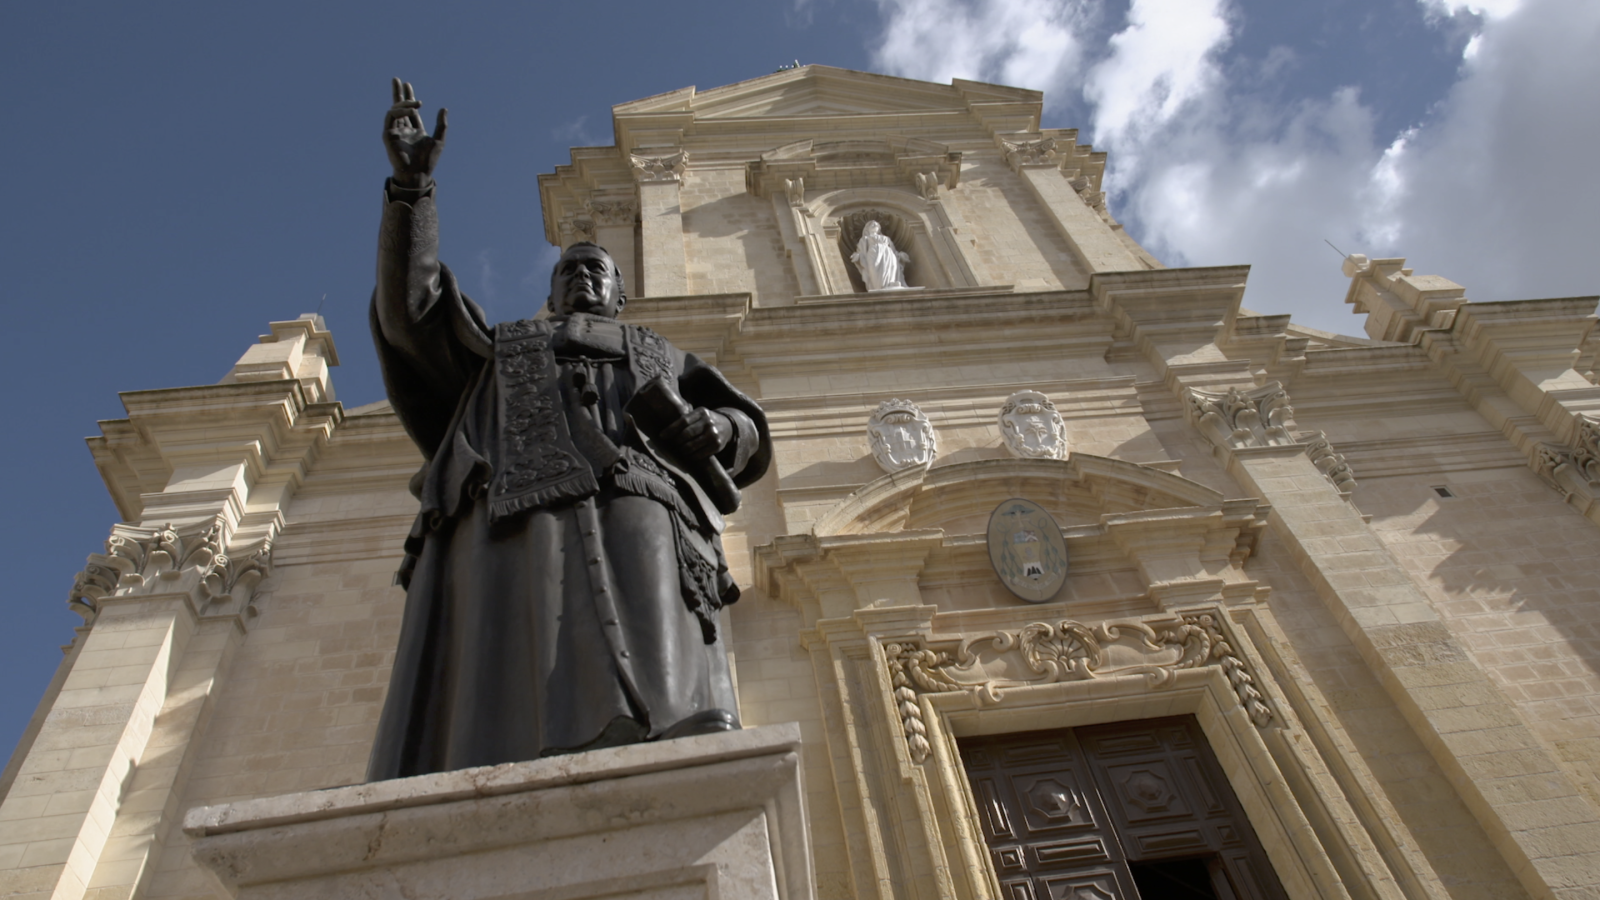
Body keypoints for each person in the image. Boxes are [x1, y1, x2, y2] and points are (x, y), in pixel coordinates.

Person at [366, 80, 771, 779]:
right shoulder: (504, 347)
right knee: (519, 628)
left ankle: (672, 716)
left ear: (620, 293)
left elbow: (745, 426)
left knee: (653, 589)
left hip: (642, 497)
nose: (583, 277)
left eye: (597, 270)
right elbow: (412, 312)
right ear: (551, 292)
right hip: (516, 507)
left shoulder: (660, 350)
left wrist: (719, 429)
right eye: (569, 271)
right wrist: (412, 193)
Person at [850, 219, 911, 291]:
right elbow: (862, 251)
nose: (874, 225)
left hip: (888, 253)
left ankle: (891, 283)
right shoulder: (865, 238)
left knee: (892, 267)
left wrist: (900, 255)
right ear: (867, 228)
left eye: (876, 225)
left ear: (879, 228)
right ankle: (879, 287)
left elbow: (893, 250)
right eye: (871, 225)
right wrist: (858, 256)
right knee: (874, 268)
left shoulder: (886, 238)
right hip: (873, 253)